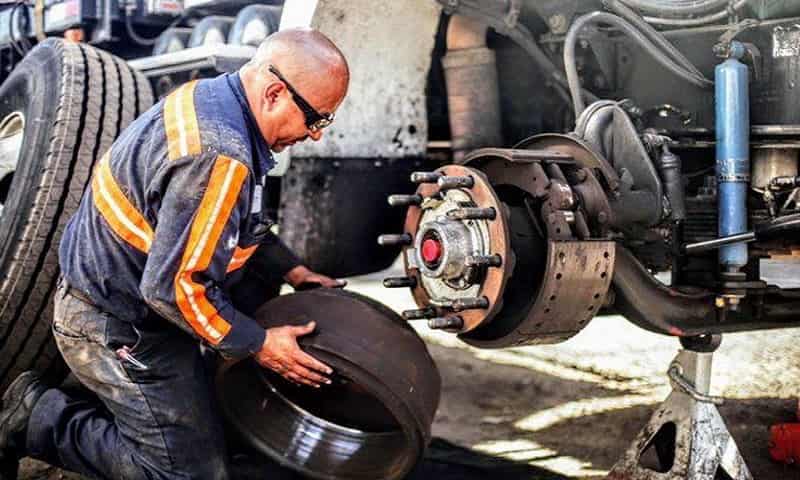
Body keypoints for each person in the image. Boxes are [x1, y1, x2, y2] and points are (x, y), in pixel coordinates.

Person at [0, 27, 350, 479]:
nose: (315, 135)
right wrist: (260, 344)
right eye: (316, 119)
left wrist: (294, 271)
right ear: (275, 93)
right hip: (117, 323)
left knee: (216, 416)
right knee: (188, 474)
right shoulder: (219, 156)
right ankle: (34, 417)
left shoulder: (218, 101)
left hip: (132, 296)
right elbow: (172, 290)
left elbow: (230, 222)